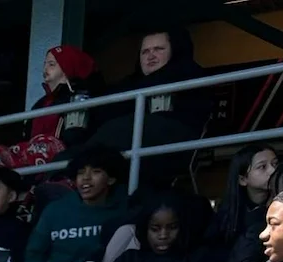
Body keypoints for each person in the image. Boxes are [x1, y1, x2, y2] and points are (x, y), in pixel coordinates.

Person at [0, 46, 100, 224]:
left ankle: (28, 197)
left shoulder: (79, 97)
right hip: (32, 155)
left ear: (68, 69)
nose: (45, 69)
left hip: (60, 155)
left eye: (52, 64)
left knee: (43, 141)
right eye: (45, 64)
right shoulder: (40, 104)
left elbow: (76, 137)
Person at [89, 28, 208, 189]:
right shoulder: (129, 83)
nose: (150, 56)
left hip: (172, 147)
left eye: (159, 49)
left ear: (175, 52)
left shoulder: (190, 74)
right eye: (145, 52)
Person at [23, 145, 129, 262]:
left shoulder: (125, 209)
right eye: (81, 172)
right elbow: (34, 255)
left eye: (95, 171)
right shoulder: (55, 210)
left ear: (111, 179)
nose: (86, 178)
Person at [208, 144, 280, 262]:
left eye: (275, 164)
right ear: (243, 179)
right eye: (262, 167)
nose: (273, 171)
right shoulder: (228, 217)